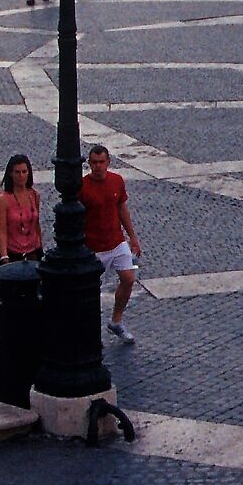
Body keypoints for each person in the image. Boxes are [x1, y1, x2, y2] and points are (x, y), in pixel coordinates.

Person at [80, 144, 141, 343]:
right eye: (94, 163)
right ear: (89, 163)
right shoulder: (82, 186)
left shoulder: (117, 181)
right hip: (93, 247)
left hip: (116, 241)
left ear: (108, 162)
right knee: (90, 292)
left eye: (101, 162)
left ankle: (116, 320)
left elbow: (122, 208)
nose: (98, 166)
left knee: (128, 278)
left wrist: (132, 237)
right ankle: (89, 330)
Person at [0, 154, 44, 264]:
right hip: (13, 253)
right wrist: (4, 256)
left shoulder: (34, 195)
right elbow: (2, 231)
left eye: (24, 172)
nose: (21, 176)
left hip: (33, 252)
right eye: (17, 172)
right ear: (11, 174)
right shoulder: (3, 200)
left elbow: (36, 225)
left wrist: (40, 247)